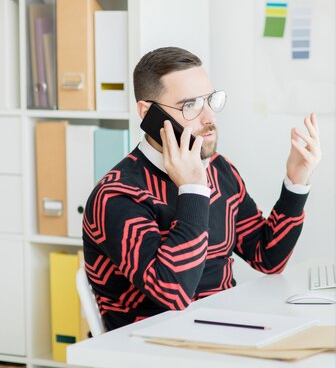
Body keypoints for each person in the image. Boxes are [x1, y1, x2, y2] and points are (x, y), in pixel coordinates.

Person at [82, 46, 321, 330]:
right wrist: (193, 190)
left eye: (210, 100)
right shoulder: (117, 195)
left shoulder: (219, 170)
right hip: (152, 345)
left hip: (223, 330)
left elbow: (267, 257)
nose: (209, 118)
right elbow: (173, 292)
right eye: (190, 106)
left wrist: (296, 182)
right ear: (148, 113)